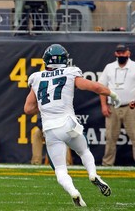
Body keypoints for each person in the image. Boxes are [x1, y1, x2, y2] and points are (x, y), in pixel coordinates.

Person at [24, 44, 120, 207]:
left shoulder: (37, 77)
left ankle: (73, 192)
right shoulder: (70, 72)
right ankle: (92, 174)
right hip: (69, 124)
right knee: (84, 151)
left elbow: (28, 108)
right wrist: (113, 96)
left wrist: (44, 106)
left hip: (50, 129)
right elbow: (95, 87)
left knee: (60, 169)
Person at [99, 43, 135, 166]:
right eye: (119, 53)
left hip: (131, 107)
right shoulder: (109, 67)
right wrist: (104, 105)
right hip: (112, 107)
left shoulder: (134, 66)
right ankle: (107, 164)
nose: (121, 55)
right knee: (110, 138)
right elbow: (102, 88)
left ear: (128, 53)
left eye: (123, 52)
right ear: (115, 53)